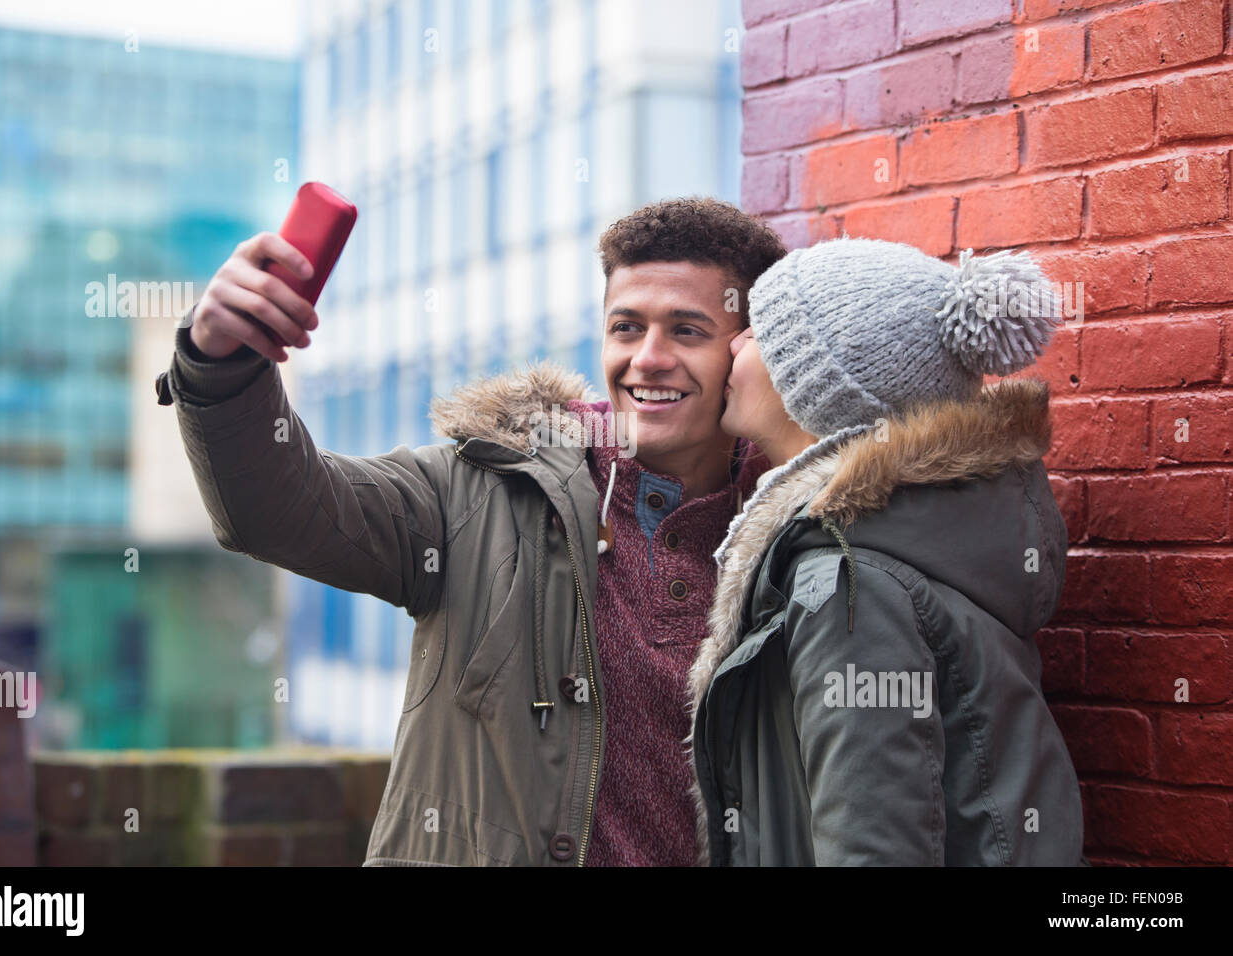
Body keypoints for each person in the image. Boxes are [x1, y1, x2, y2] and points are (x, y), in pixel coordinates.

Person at [153, 197, 787, 865]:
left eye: (687, 331)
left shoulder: (797, 535)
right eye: (626, 327)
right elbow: (275, 509)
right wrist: (217, 359)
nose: (648, 359)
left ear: (747, 350)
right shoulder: (481, 489)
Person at [685, 237, 1085, 866]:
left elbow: (871, 845)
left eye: (758, 330)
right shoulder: (895, 542)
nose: (732, 343)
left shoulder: (849, 579)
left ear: (814, 388)